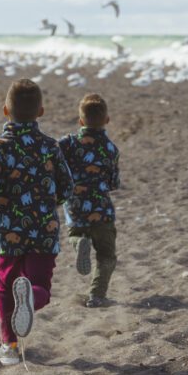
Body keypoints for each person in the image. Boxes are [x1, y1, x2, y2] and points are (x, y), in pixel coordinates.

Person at [0, 79, 73, 365]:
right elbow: (67, 186)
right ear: (41, 111)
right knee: (40, 285)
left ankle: (10, 346)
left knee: (5, 286)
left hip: (12, 230)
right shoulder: (51, 146)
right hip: (45, 230)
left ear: (5, 110)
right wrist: (50, 204)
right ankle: (32, 299)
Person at [58, 94, 121, 308]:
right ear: (107, 120)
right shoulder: (111, 149)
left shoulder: (67, 144)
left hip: (75, 208)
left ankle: (79, 244)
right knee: (106, 255)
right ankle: (97, 295)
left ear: (80, 121)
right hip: (102, 210)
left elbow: (53, 162)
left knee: (75, 233)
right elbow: (113, 183)